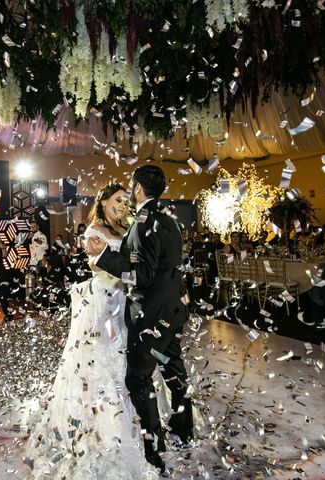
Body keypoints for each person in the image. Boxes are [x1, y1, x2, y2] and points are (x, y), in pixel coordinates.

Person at [25, 182, 158, 479]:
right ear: (104, 201)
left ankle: (134, 415)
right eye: (118, 200)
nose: (123, 205)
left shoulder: (127, 229)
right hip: (103, 303)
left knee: (124, 352)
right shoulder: (94, 228)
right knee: (103, 355)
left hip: (123, 298)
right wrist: (119, 263)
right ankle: (102, 424)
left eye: (126, 201)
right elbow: (95, 265)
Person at [87, 166, 194, 471]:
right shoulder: (170, 218)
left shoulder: (144, 222)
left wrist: (105, 256)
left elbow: (142, 276)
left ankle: (154, 447)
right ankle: (184, 431)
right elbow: (167, 266)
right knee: (174, 371)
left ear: (136, 189)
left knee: (139, 378)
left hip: (151, 315)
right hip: (173, 309)